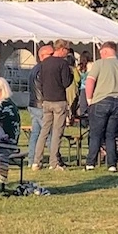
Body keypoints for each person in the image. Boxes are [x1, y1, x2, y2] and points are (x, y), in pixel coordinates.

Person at [82, 41, 118, 171]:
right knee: (111, 134)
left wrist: (89, 100)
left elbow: (90, 81)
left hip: (101, 100)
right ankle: (112, 164)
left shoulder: (99, 64)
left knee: (96, 134)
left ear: (105, 51)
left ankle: (90, 162)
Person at [30, 42, 73, 170]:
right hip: (59, 101)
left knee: (44, 132)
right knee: (57, 132)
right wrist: (70, 74)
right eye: (67, 50)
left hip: (46, 101)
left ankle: (36, 161)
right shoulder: (63, 64)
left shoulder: (44, 64)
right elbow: (66, 83)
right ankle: (53, 162)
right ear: (61, 49)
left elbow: (41, 82)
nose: (68, 52)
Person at [0, 77, 22, 172]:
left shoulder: (1, 106)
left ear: (2, 90)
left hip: (5, 144)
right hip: (9, 142)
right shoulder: (9, 104)